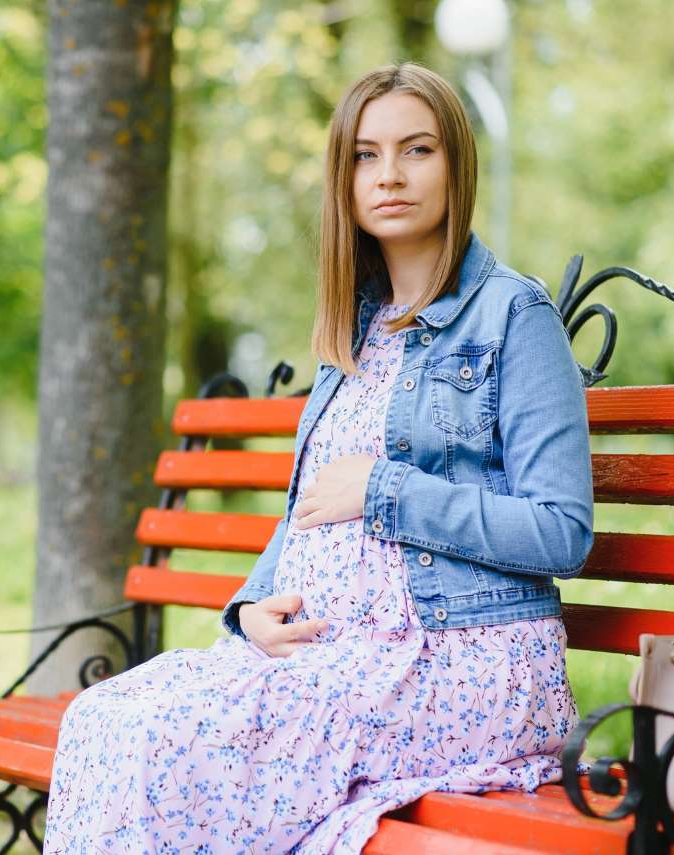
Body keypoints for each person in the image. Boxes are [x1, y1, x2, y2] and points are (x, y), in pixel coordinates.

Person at [44, 62, 594, 853]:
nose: (390, 175)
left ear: (456, 165)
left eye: (417, 150)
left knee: (167, 741)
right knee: (104, 716)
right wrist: (252, 607)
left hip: (459, 664)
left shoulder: (515, 315)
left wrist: (385, 487)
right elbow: (308, 509)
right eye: (365, 156)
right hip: (336, 656)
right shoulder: (356, 331)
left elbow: (561, 531)